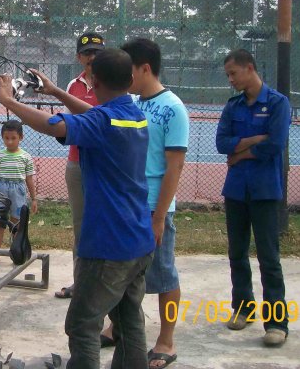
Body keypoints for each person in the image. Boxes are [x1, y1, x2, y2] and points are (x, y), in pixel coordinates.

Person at [0, 48, 155, 369]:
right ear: (130, 79)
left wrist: (10, 103)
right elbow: (93, 115)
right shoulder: (133, 116)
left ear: (93, 81)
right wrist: (56, 92)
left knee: (83, 325)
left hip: (108, 247)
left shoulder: (103, 122)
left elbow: (56, 125)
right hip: (139, 241)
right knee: (129, 323)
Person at [101, 38, 189, 368]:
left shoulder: (173, 108)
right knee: (123, 274)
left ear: (145, 69)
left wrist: (159, 217)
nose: (125, 77)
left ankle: (166, 340)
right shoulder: (134, 102)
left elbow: (174, 166)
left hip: (154, 207)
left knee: (164, 276)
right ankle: (118, 327)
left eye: (129, 70)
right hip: (129, 204)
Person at [216, 48, 290, 347]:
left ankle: (276, 322)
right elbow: (222, 144)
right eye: (228, 75)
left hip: (264, 191)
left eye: (233, 73)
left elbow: (275, 145)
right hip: (236, 191)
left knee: (269, 258)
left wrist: (241, 153)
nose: (231, 80)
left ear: (249, 68)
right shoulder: (233, 106)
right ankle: (243, 308)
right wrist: (252, 140)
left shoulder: (277, 103)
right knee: (237, 253)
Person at [54, 31, 103, 299]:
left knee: (105, 225)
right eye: (87, 53)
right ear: (79, 57)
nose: (92, 57)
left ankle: (104, 286)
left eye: (97, 52)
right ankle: (82, 283)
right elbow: (76, 124)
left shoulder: (113, 82)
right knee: (81, 226)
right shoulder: (74, 86)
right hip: (77, 164)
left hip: (105, 165)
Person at [0, 119, 38, 267]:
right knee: (0, 222)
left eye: (13, 138)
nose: (9, 142)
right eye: (6, 138)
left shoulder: (26, 157)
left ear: (21, 137)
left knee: (16, 224)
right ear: (2, 137)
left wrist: (34, 199)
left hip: (18, 190)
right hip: (1, 190)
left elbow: (29, 179)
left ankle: (17, 254)